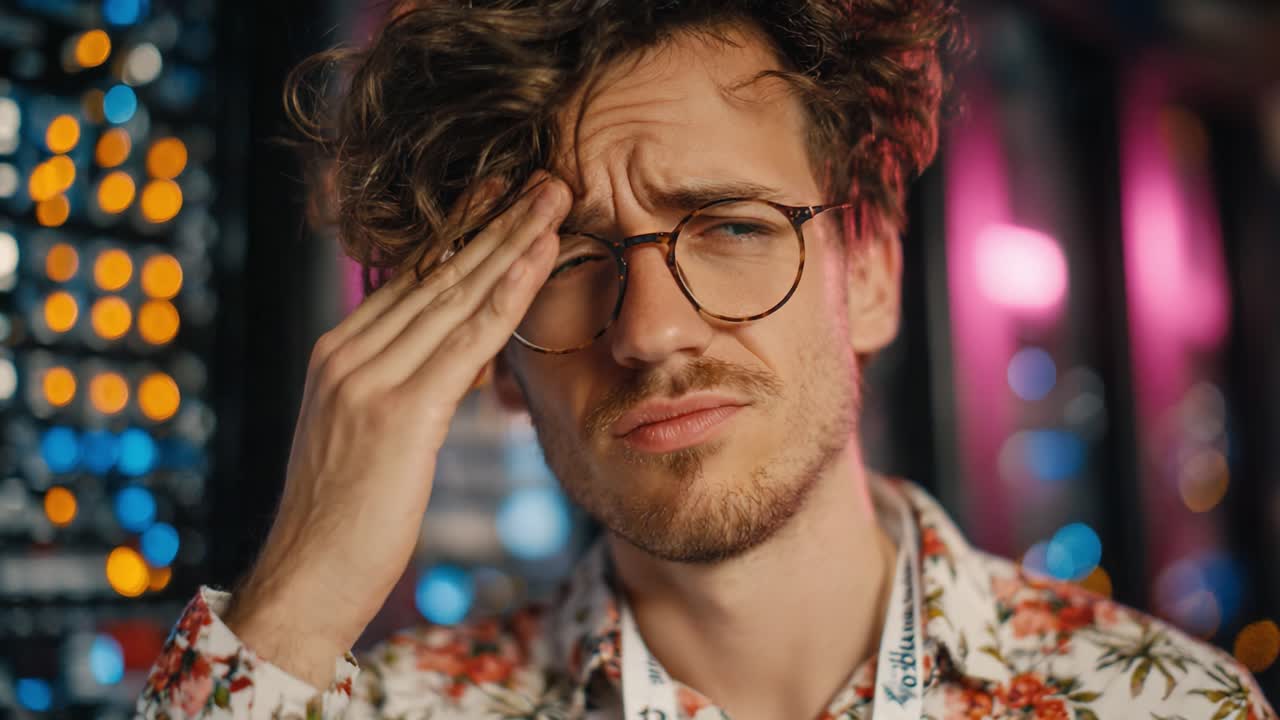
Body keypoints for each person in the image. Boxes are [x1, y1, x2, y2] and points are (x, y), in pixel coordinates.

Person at [137, 1, 1276, 718]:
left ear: (868, 271)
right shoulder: (378, 708)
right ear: (490, 357)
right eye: (568, 261)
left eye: (729, 228)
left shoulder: (1163, 705)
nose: (649, 331)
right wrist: (296, 598)